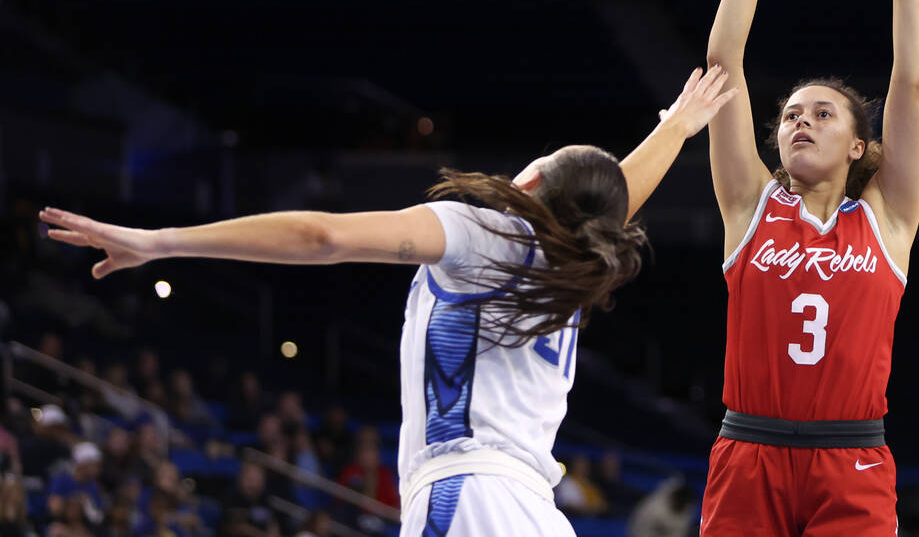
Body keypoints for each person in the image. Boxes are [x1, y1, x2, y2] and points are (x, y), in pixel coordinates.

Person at [40, 65, 737, 537]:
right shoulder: (578, 264)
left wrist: (159, 242)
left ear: (529, 184)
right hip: (534, 512)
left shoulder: (486, 229)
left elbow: (319, 235)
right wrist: (675, 127)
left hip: (467, 495)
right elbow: (611, 198)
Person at [700, 0, 919, 536]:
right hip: (748, 454)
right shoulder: (748, 207)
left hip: (854, 461)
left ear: (857, 147)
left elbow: (912, 81)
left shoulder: (887, 219)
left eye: (821, 114)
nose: (800, 120)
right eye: (789, 115)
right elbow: (724, 63)